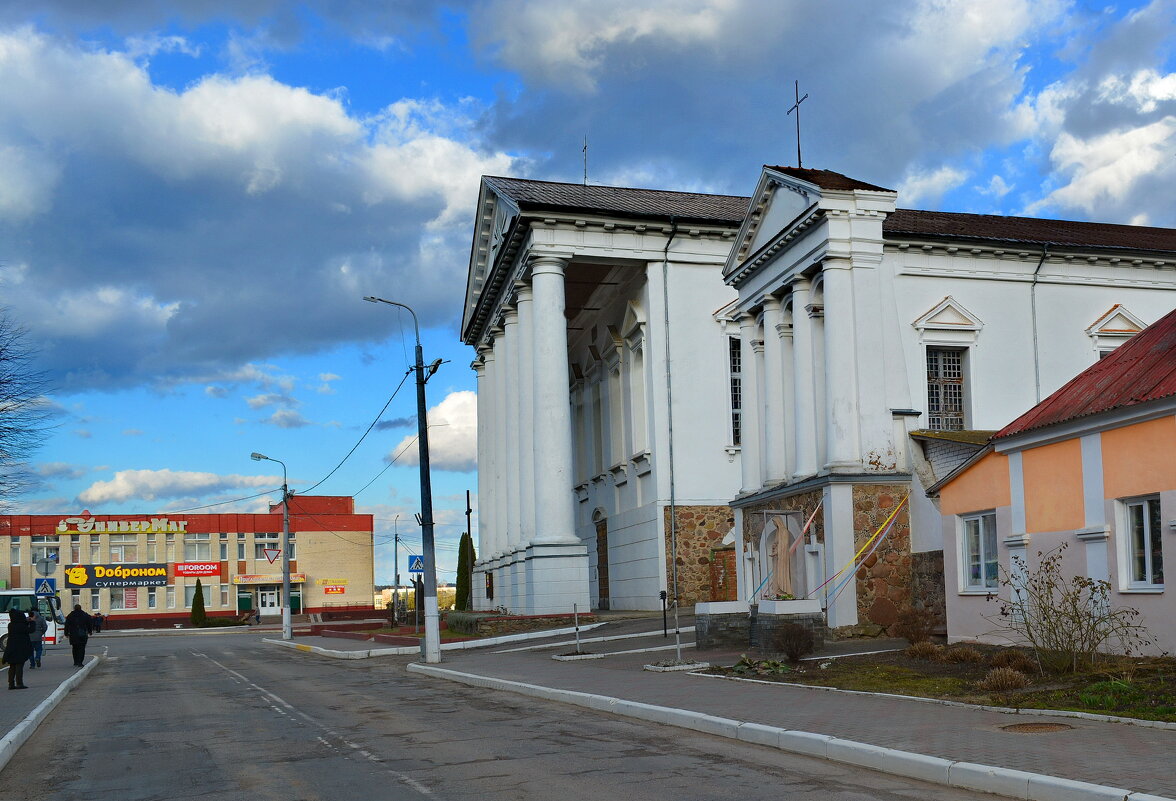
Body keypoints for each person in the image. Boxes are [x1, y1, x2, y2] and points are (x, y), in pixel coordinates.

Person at [3, 610, 32, 689]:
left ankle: (11, 684)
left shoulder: (11, 625)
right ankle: (19, 683)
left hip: (11, 648)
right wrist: (32, 622)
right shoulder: (21, 626)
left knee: (12, 666)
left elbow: (21, 625)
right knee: (19, 666)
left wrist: (25, 621)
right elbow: (30, 630)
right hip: (20, 649)